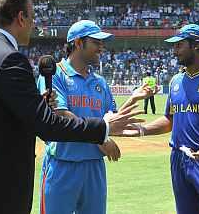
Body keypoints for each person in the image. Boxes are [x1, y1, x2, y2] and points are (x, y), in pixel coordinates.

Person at [0, 0, 142, 214]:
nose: (33, 24)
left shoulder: (99, 80)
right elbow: (49, 125)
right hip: (22, 176)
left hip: (92, 167)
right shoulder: (14, 60)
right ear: (21, 18)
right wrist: (103, 132)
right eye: (32, 18)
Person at [37, 20, 157, 214]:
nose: (102, 47)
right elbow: (60, 116)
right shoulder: (55, 74)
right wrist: (101, 138)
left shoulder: (99, 81)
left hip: (94, 166)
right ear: (78, 43)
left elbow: (111, 120)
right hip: (62, 164)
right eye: (96, 42)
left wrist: (134, 98)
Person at [121, 24, 199, 214]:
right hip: (178, 159)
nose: (175, 51)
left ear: (196, 45)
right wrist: (142, 130)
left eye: (179, 45)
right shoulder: (176, 81)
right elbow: (169, 119)